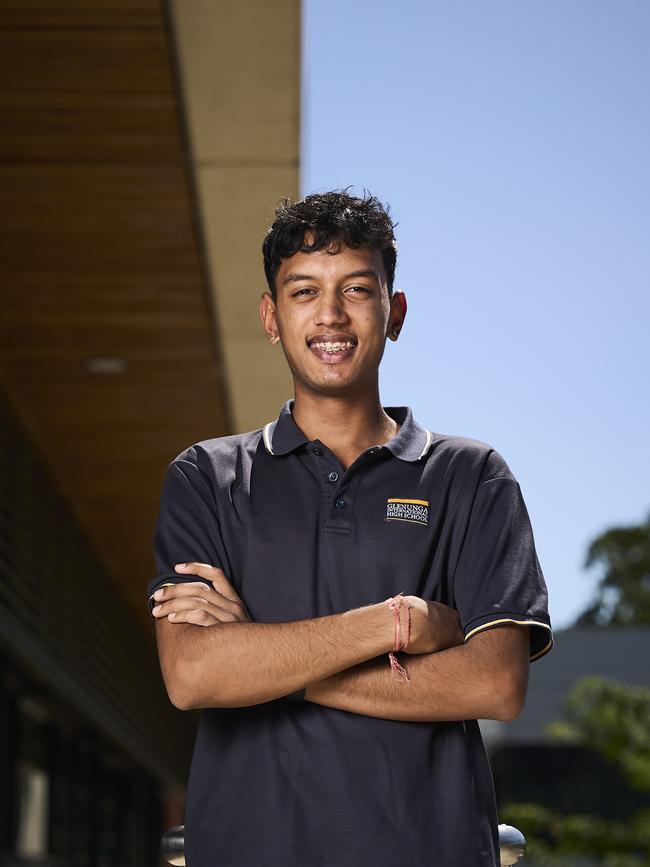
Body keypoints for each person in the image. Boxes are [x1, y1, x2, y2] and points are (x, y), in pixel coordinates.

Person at [148, 189, 553, 867]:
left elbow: (495, 684)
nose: (330, 314)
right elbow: (191, 673)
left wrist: (262, 661)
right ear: (272, 317)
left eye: (356, 289)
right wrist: (397, 624)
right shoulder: (205, 478)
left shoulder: (472, 476)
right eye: (303, 291)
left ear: (393, 314)